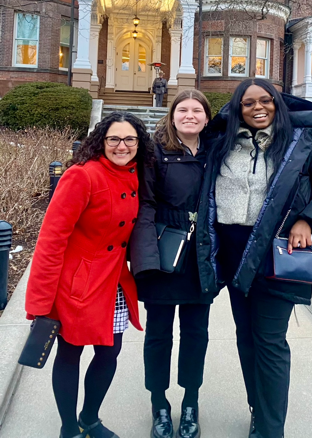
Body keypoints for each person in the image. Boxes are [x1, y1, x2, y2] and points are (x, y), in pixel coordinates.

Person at [198, 78, 312, 438]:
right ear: (238, 109)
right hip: (233, 255)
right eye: (248, 103)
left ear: (277, 103)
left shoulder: (301, 145)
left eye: (265, 101)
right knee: (246, 336)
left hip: (276, 255)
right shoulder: (221, 143)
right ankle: (259, 407)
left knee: (269, 339)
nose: (258, 108)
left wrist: (308, 220)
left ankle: (270, 429)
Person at [25, 112, 155, 438]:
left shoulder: (137, 174)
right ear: (101, 140)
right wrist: (40, 302)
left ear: (139, 143)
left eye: (129, 139)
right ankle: (69, 428)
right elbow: (51, 240)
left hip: (114, 283)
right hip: (78, 285)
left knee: (109, 352)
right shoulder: (82, 176)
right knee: (70, 353)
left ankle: (90, 418)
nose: (122, 146)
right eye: (114, 139)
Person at [130, 89, 217, 438]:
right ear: (172, 115)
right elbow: (145, 205)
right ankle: (159, 403)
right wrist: (146, 258)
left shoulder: (216, 151)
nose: (190, 115)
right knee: (159, 334)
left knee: (196, 333)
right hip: (165, 252)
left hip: (201, 256)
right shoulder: (154, 152)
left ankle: (191, 401)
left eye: (197, 110)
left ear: (207, 118)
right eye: (183, 110)